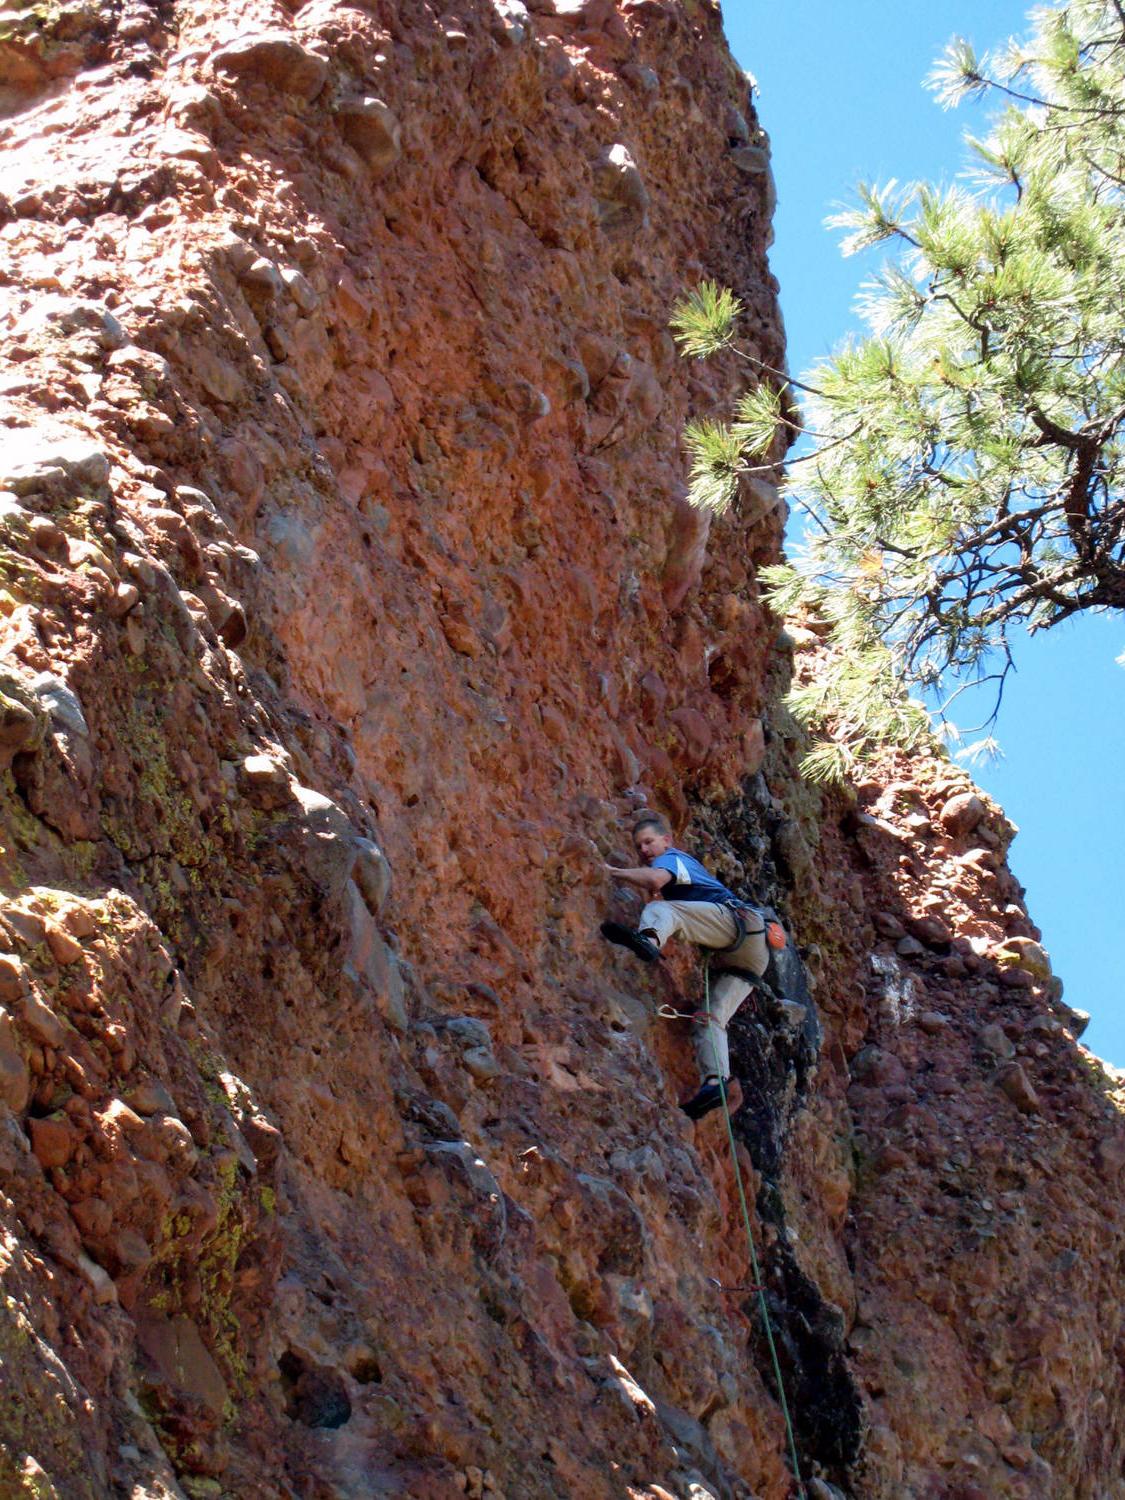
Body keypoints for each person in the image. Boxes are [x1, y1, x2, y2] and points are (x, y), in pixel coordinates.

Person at [601, 812, 769, 1121]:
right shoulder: (679, 868)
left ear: (667, 840)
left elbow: (654, 880)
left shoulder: (674, 858)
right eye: (639, 847)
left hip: (737, 926)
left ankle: (649, 940)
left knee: (662, 909)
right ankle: (715, 1082)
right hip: (750, 955)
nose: (645, 851)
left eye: (649, 842)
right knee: (710, 1017)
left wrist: (611, 870)